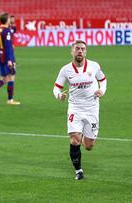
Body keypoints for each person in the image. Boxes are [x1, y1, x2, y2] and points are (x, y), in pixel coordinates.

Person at [53, 39, 107, 180]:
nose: (80, 51)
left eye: (82, 49)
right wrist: (59, 95)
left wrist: (102, 90)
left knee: (89, 146)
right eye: (77, 48)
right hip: (75, 108)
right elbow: (56, 87)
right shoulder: (65, 70)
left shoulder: (94, 66)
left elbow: (103, 79)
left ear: (86, 51)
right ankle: (79, 171)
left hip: (92, 108)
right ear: (72, 51)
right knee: (75, 140)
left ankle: (84, 135)